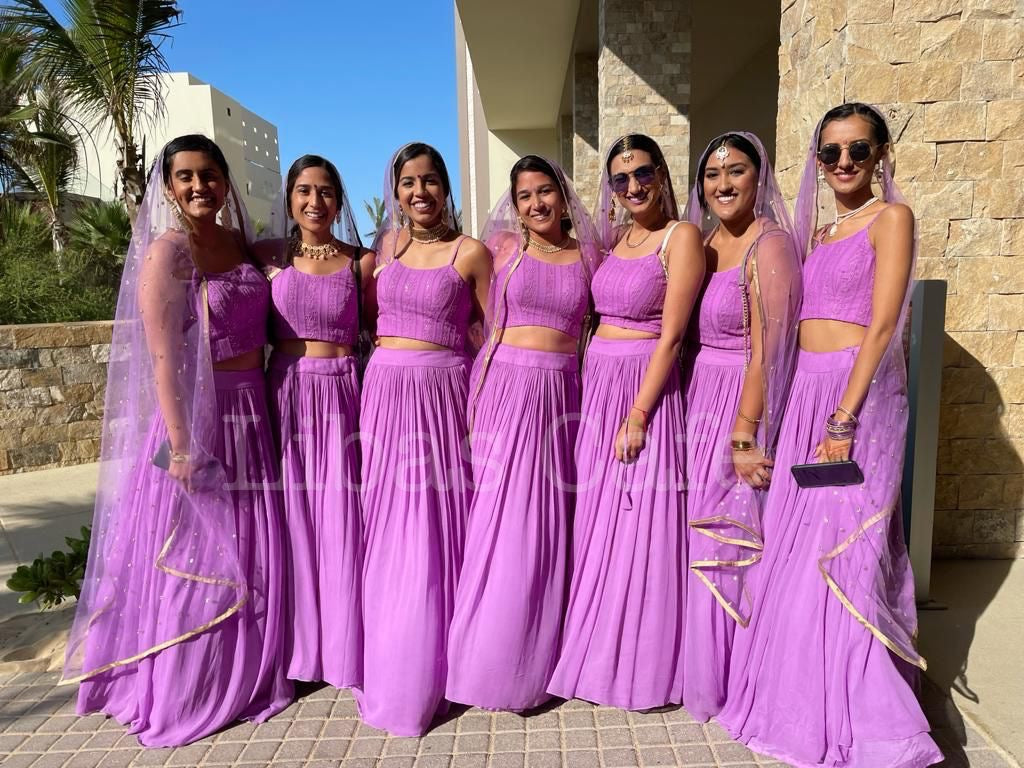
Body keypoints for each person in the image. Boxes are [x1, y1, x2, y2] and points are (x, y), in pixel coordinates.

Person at [718, 103, 943, 768]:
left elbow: (882, 326)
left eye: (858, 151)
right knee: (796, 543)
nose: (844, 163)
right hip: (809, 395)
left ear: (880, 158)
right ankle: (795, 703)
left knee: (846, 553)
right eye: (831, 153)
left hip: (855, 399)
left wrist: (844, 419)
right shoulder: (818, 232)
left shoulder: (891, 219)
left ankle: (868, 719)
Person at [63, 135, 291, 746]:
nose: (199, 187)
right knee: (195, 554)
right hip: (198, 417)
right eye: (186, 177)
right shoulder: (168, 253)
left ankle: (247, 669)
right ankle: (190, 681)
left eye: (209, 175)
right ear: (167, 187)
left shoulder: (239, 244)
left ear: (225, 183)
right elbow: (163, 359)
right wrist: (184, 447)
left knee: (248, 545)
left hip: (251, 409)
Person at [547, 134, 704, 710]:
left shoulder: (679, 237)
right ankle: (594, 649)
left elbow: (673, 336)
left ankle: (639, 664)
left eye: (642, 174)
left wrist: (640, 413)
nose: (633, 187)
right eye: (620, 179)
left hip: (644, 392)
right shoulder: (617, 240)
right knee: (598, 523)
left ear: (662, 174)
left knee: (640, 524)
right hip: (599, 392)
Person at [445, 156, 602, 712]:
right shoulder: (502, 251)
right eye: (525, 196)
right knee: (495, 522)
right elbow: (462, 315)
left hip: (561, 398)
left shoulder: (591, 257)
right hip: (502, 390)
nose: (536, 204)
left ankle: (532, 661)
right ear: (514, 204)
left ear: (563, 196)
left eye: (546, 192)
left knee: (543, 525)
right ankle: (480, 660)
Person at [355, 142, 491, 736]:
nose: (419, 193)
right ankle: (389, 659)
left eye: (430, 181)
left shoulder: (472, 253)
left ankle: (442, 668)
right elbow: (366, 324)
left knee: (438, 526)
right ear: (395, 191)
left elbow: (492, 340)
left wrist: (480, 413)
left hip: (444, 397)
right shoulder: (381, 253)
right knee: (390, 527)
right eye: (408, 183)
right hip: (384, 396)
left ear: (446, 187)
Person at [680, 132, 801, 721]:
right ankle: (701, 671)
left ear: (760, 179)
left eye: (736, 172)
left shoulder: (769, 245)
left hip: (739, 407)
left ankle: (731, 680)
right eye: (712, 175)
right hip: (700, 399)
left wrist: (746, 435)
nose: (723, 184)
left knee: (728, 541)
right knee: (698, 537)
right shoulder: (705, 244)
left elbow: (769, 347)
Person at [256, 155, 375, 689]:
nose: (314, 202)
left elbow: (383, 329)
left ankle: (344, 649)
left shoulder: (361, 262)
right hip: (285, 392)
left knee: (342, 517)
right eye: (304, 191)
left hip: (345, 394)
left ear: (339, 200)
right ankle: (300, 649)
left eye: (326, 192)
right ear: (289, 198)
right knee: (293, 518)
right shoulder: (266, 256)